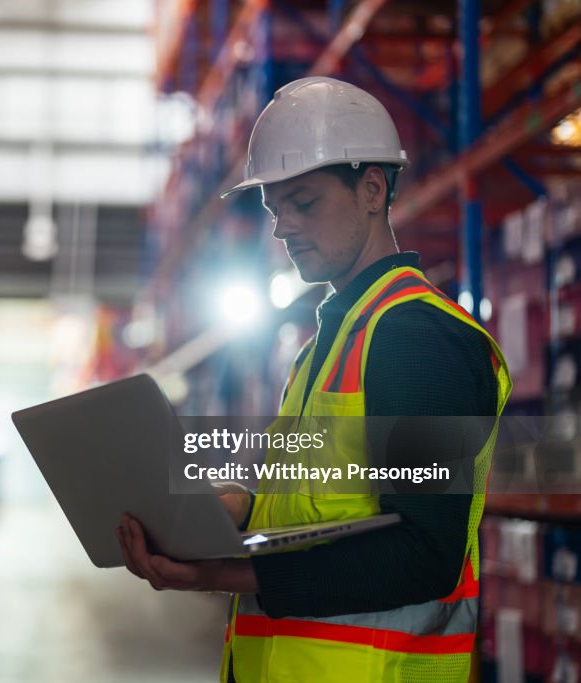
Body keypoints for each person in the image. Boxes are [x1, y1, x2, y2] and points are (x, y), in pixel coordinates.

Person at [116, 77, 512, 682]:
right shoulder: (322, 351)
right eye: (276, 209)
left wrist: (221, 574)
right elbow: (316, 504)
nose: (283, 228)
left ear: (372, 189)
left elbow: (425, 552)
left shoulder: (418, 340)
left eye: (303, 202)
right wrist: (236, 513)